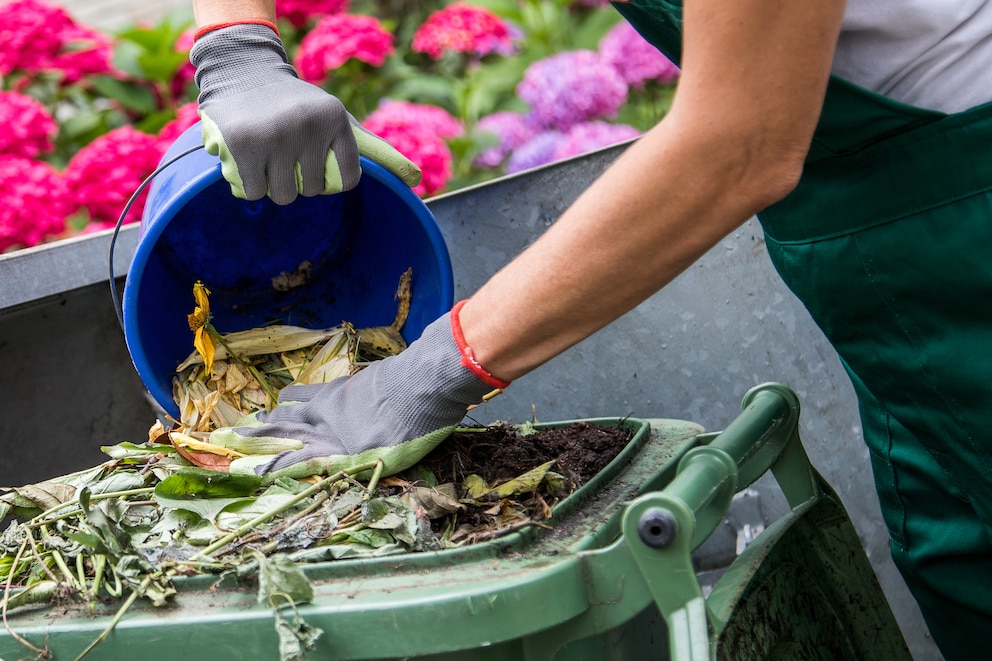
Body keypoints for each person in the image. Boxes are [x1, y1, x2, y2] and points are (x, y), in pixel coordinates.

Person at [189, 0, 992, 657]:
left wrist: (430, 369)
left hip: (959, 212)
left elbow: (741, 139)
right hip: (888, 279)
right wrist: (238, 47)